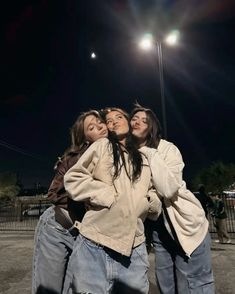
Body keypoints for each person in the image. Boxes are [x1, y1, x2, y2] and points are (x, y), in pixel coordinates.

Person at [63, 107, 161, 294]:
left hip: (135, 249)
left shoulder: (143, 157)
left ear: (128, 121)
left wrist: (148, 203)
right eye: (109, 121)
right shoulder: (101, 146)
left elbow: (153, 190)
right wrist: (107, 195)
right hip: (94, 245)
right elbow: (73, 179)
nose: (114, 121)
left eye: (119, 117)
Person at [130, 104, 215, 294]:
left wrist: (148, 151)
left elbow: (168, 189)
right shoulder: (127, 155)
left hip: (186, 227)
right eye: (134, 118)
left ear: (151, 127)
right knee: (166, 286)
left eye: (145, 120)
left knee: (193, 286)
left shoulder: (166, 149)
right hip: (159, 234)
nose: (138, 122)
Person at [32, 110, 109, 294]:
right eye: (91, 127)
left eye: (100, 122)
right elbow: (54, 194)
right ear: (85, 137)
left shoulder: (113, 153)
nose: (99, 127)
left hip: (83, 233)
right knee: (49, 289)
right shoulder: (79, 156)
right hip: (57, 227)